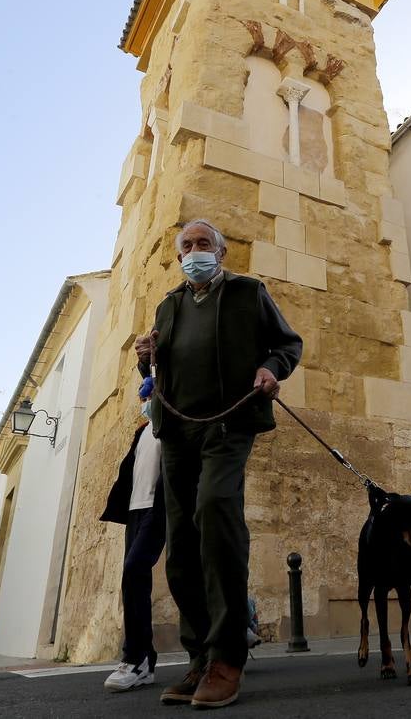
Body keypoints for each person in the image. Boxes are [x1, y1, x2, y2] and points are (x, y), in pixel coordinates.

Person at [134, 219, 302, 709]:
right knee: (182, 541)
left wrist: (272, 369)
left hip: (228, 425)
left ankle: (228, 655)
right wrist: (145, 357)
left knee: (215, 510)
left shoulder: (250, 293)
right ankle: (199, 656)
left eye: (203, 244)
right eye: (186, 246)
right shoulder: (168, 305)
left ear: (221, 252)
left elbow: (287, 344)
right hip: (178, 432)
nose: (194, 251)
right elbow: (156, 372)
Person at [100, 376, 167, 693]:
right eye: (145, 395)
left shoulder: (174, 427)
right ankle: (145, 662)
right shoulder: (141, 433)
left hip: (159, 507)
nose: (146, 400)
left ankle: (136, 657)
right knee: (134, 577)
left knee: (134, 568)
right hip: (136, 511)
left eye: (152, 394)